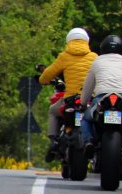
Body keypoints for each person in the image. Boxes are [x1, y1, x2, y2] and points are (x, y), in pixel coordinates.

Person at [38, 27, 98, 160]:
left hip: (70, 99)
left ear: (68, 41)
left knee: (53, 111)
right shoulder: (94, 57)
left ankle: (54, 140)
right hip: (89, 99)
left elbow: (47, 74)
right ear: (86, 41)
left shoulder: (64, 57)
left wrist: (43, 79)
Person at [80, 34, 122, 133]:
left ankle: (88, 142)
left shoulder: (97, 62)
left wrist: (83, 103)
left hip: (101, 98)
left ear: (103, 47)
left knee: (85, 120)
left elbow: (88, 86)